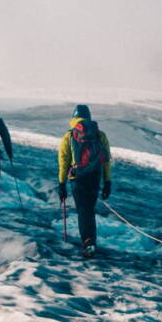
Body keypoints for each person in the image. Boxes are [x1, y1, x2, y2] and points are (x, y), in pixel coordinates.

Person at [56, 104, 112, 258]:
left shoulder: (69, 136)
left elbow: (63, 161)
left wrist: (61, 184)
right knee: (89, 210)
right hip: (95, 177)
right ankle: (91, 242)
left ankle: (87, 243)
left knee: (83, 211)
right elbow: (106, 160)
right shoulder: (100, 135)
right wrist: (107, 182)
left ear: (73, 118)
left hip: (77, 178)